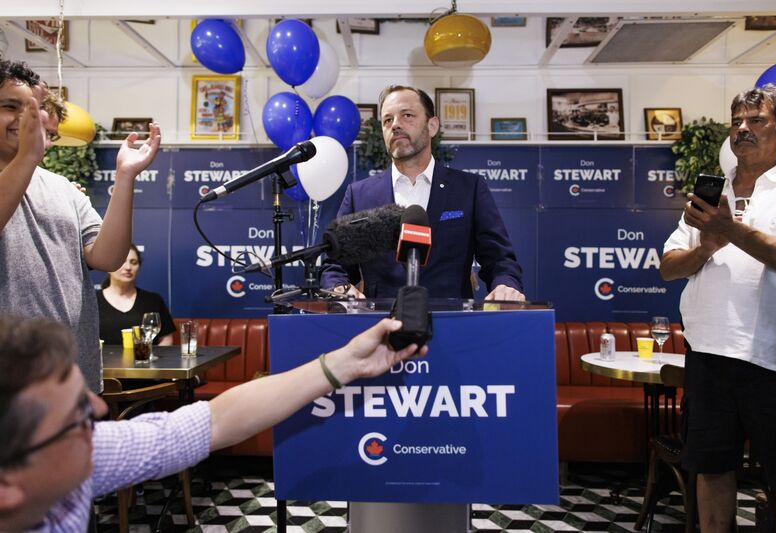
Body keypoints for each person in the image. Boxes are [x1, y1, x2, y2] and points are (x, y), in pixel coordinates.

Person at [0, 315, 425, 532]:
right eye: (75, 415)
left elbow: (216, 420)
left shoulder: (77, 457)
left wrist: (344, 364)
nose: (96, 410)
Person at [660, 83, 776, 533]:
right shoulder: (710, 191)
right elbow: (668, 267)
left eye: (755, 120)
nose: (742, 128)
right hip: (709, 354)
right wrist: (707, 245)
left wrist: (731, 231)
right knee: (710, 466)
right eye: (736, 120)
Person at [0, 59, 161, 393]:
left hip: (75, 379)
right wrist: (28, 156)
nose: (27, 117)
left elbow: (107, 258)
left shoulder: (61, 187)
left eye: (33, 106)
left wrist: (125, 178)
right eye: (10, 106)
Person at [320, 85, 524, 301]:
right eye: (387, 120)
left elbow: (500, 259)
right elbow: (335, 267)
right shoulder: (360, 195)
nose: (395, 125)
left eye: (407, 115)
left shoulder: (469, 188)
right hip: (380, 326)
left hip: (452, 324)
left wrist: (505, 285)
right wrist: (339, 287)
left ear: (432, 125)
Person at [96, 245, 176, 346]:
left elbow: (166, 339)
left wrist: (150, 359)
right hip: (104, 361)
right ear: (108, 266)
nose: (128, 267)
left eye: (133, 262)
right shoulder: (93, 301)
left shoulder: (153, 300)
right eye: (122, 261)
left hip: (144, 360)